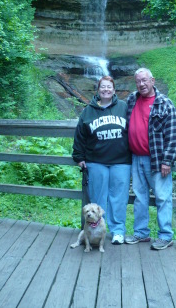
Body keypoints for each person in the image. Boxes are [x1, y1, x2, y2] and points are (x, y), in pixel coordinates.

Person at [125, 68, 176, 250]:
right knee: (140, 198)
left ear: (152, 80)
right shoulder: (132, 99)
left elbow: (172, 135)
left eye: (144, 80)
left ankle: (165, 236)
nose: (141, 84)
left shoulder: (165, 104)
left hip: (156, 160)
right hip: (136, 158)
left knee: (162, 198)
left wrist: (167, 161)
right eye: (138, 81)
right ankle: (141, 233)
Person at [72, 76, 132, 245]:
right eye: (103, 87)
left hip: (121, 161)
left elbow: (133, 130)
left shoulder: (124, 107)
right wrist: (79, 156)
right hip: (95, 160)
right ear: (98, 90)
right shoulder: (88, 111)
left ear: (114, 90)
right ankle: (93, 232)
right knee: (98, 199)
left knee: (118, 198)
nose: (106, 89)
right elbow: (80, 135)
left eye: (109, 87)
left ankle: (118, 230)